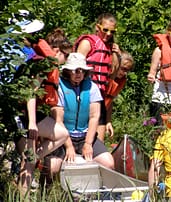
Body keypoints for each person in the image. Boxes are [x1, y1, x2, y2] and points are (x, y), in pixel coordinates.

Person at [11, 15, 70, 195]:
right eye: (66, 55)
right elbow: (31, 92)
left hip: (23, 114)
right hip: (24, 115)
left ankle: (23, 195)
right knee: (61, 134)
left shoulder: (36, 58)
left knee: (27, 162)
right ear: (56, 51)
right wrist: (32, 123)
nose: (66, 60)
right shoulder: (42, 64)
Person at [42, 53, 115, 186]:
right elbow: (58, 119)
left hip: (85, 136)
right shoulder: (59, 87)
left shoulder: (92, 87)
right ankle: (46, 191)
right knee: (52, 166)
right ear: (68, 71)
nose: (78, 73)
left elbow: (94, 117)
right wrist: (68, 146)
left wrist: (88, 144)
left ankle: (100, 193)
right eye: (75, 70)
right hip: (63, 137)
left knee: (108, 163)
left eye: (82, 70)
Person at [74, 13, 120, 144]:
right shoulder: (88, 43)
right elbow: (75, 67)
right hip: (85, 93)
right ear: (97, 27)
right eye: (105, 30)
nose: (108, 34)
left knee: (99, 140)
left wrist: (116, 54)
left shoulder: (110, 48)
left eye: (112, 31)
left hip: (100, 96)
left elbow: (113, 73)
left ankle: (96, 159)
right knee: (82, 134)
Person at [99, 50, 134, 141]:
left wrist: (108, 121)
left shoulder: (121, 81)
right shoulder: (104, 77)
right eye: (123, 69)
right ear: (117, 64)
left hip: (101, 115)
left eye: (128, 70)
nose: (125, 73)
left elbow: (110, 102)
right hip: (91, 114)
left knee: (99, 142)